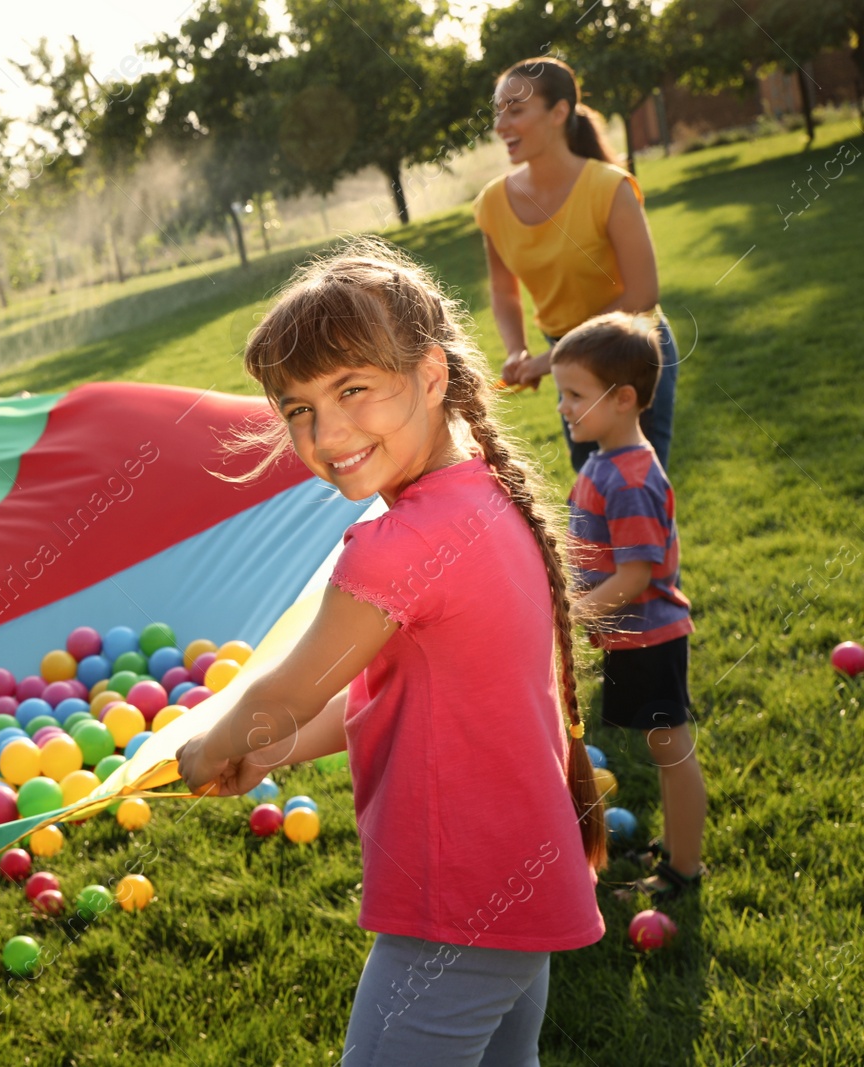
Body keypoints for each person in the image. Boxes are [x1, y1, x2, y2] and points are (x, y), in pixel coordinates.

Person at [177, 241, 605, 1065]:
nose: (325, 430)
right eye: (297, 408)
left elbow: (290, 687)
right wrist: (272, 749)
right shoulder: (480, 493)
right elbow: (381, 693)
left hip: (456, 901)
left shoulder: (398, 544)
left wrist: (210, 743)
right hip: (516, 880)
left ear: (433, 375)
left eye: (352, 389)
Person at [550, 313, 705, 902]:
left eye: (575, 395)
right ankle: (674, 851)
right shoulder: (607, 460)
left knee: (672, 753)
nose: (564, 407)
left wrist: (573, 613)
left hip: (652, 637)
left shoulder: (631, 477)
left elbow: (636, 575)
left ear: (623, 400)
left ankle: (682, 870)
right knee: (663, 752)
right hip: (632, 638)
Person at [475, 56, 679, 473]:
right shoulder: (494, 202)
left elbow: (642, 294)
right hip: (567, 361)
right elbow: (502, 290)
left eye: (516, 111)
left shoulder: (609, 188)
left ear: (559, 112)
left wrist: (553, 359)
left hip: (631, 354)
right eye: (499, 113)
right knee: (592, 496)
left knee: (636, 495)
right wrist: (517, 350)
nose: (501, 126)